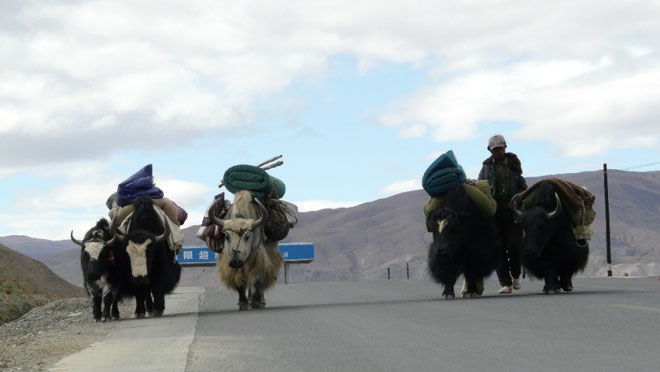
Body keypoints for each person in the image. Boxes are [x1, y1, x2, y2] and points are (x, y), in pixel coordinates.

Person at [478, 135, 527, 294]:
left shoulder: (513, 165)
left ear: (505, 147)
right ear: (490, 151)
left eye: (500, 148)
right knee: (497, 248)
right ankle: (506, 283)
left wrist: (517, 201)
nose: (498, 151)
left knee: (515, 246)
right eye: (495, 149)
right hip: (494, 214)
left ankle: (516, 275)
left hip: (513, 213)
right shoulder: (485, 168)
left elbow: (523, 188)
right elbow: (480, 188)